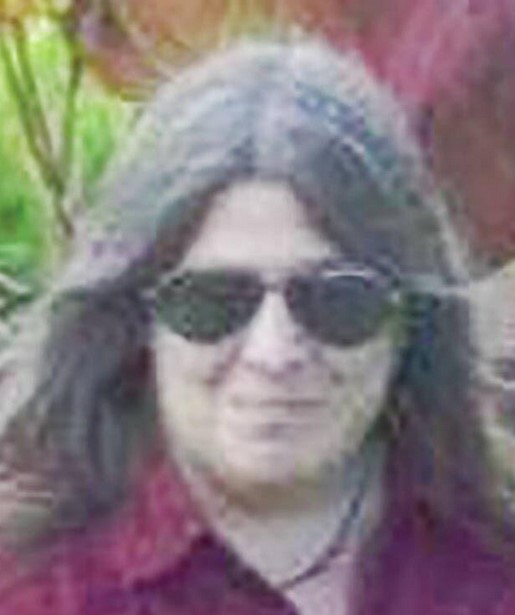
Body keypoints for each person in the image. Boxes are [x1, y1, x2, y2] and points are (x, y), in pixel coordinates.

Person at [0, 37, 514, 615]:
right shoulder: (33, 589)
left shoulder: (493, 569)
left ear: (412, 324)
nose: (274, 353)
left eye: (336, 299)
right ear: (134, 323)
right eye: (212, 300)